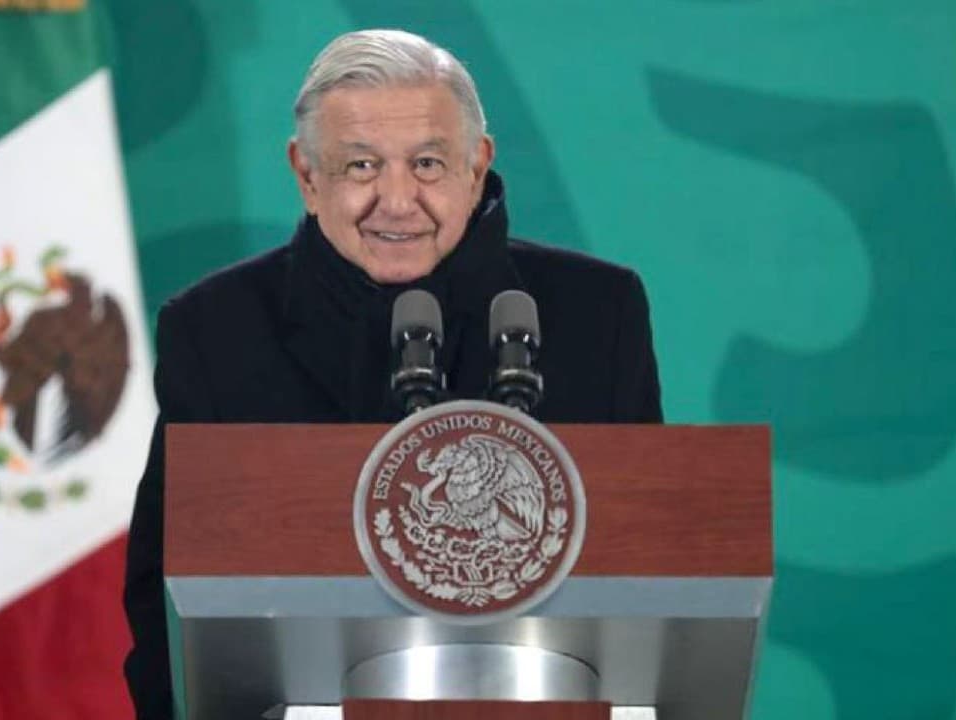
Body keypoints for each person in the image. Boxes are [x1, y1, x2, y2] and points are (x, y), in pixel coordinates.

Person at [123, 28, 661, 719]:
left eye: (428, 163)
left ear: (477, 166)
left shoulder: (597, 312)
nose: (398, 200)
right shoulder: (217, 331)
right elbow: (163, 595)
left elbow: (655, 566)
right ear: (307, 176)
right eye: (361, 166)